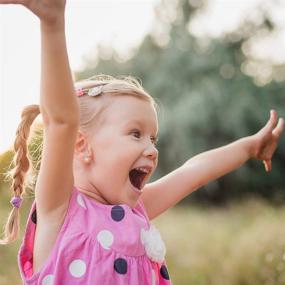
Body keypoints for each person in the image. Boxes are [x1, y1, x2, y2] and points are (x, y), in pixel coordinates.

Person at [0, 0, 284, 284]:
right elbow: (61, 121)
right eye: (135, 134)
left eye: (153, 138)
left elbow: (194, 171)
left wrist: (250, 147)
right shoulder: (60, 209)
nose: (152, 149)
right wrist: (52, 23)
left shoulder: (137, 209)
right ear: (81, 146)